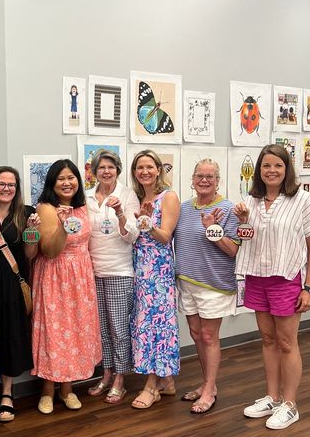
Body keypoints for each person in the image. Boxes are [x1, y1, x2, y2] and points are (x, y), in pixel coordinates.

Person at [234, 144, 310, 430]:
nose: (271, 170)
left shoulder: (302, 199)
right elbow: (246, 239)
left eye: (278, 165)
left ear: (287, 169)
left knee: (287, 342)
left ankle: (290, 404)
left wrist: (309, 288)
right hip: (257, 277)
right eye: (266, 165)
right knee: (268, 340)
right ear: (258, 170)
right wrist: (242, 222)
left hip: (286, 279)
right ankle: (272, 398)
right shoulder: (251, 200)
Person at [32, 159, 101, 414]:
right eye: (61, 178)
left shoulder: (82, 208)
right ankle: (47, 391)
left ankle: (67, 389)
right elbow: (49, 251)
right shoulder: (46, 209)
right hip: (55, 275)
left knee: (74, 331)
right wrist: (62, 227)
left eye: (71, 177)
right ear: (52, 183)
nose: (67, 183)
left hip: (81, 277)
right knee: (54, 332)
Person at [174, 160, 240, 414]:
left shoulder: (228, 209)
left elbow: (232, 250)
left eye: (210, 176)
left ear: (217, 181)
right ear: (192, 179)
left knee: (210, 336)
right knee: (196, 334)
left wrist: (212, 228)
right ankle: (205, 383)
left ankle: (210, 390)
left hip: (214, 284)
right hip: (188, 281)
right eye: (199, 175)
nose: (204, 180)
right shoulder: (184, 208)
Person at [0, 166, 40, 422]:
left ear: (17, 188)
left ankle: (6, 392)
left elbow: (30, 254)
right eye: (1, 183)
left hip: (13, 287)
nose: (6, 188)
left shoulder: (26, 213)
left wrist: (32, 232)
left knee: (10, 337)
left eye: (11, 185)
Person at [85, 150, 139, 404]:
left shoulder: (127, 195)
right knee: (102, 329)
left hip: (119, 271)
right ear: (94, 172)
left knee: (118, 329)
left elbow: (132, 236)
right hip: (93, 271)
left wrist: (119, 213)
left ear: (118, 170)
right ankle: (106, 373)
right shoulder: (86, 197)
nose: (106, 171)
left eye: (111, 167)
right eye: (101, 167)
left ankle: (120, 378)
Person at [129, 150, 181, 409]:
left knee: (156, 325)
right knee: (143, 323)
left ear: (159, 169)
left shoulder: (168, 197)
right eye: (140, 167)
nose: (145, 171)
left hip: (158, 270)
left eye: (149, 166)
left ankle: (152, 385)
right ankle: (166, 381)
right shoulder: (137, 197)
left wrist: (147, 222)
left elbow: (165, 237)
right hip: (139, 266)